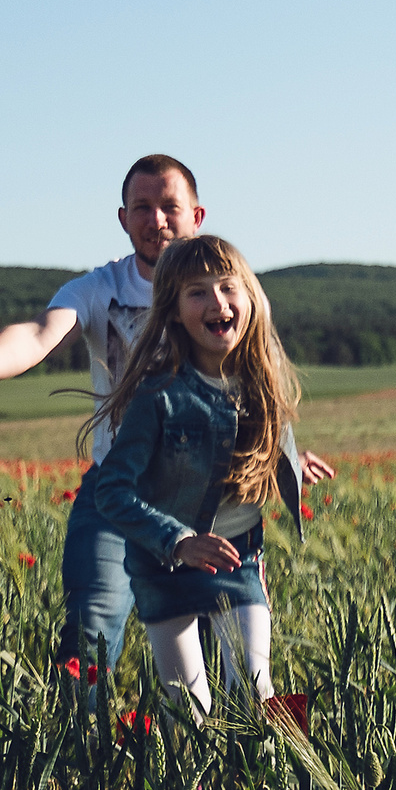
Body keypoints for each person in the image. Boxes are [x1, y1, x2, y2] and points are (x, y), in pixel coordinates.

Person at [0, 156, 329, 692]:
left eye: (170, 206)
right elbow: (38, 334)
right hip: (121, 490)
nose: (156, 220)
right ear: (123, 218)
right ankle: (86, 737)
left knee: (228, 666)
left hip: (211, 500)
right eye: (142, 208)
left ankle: (212, 745)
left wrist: (280, 456)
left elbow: (256, 389)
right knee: (93, 626)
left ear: (197, 215)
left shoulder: (231, 294)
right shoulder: (99, 288)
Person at [80, 234, 302, 720]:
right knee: (190, 710)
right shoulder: (158, 396)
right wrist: (178, 540)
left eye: (228, 287)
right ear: (175, 311)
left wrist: (296, 462)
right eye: (197, 292)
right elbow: (112, 491)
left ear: (250, 298)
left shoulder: (262, 381)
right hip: (165, 565)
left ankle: (251, 774)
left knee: (255, 694)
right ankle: (189, 772)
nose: (217, 301)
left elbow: (254, 449)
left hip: (238, 558)